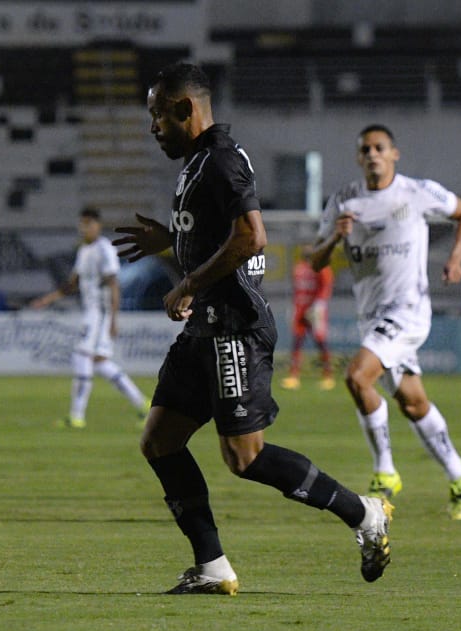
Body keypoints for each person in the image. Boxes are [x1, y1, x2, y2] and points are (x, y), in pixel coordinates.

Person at [113, 62, 392, 595]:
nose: (152, 127)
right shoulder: (198, 162)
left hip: (234, 329)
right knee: (160, 441)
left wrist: (188, 282)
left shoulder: (219, 160)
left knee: (245, 457)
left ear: (184, 109)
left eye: (157, 116)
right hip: (204, 330)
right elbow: (220, 236)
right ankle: (213, 567)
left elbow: (251, 237)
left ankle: (364, 513)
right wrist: (171, 242)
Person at [307, 124, 461, 520]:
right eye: (365, 149)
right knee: (413, 402)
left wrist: (455, 259)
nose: (372, 154)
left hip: (408, 311)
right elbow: (314, 262)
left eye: (379, 148)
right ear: (358, 157)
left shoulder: (416, 191)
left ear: (394, 154)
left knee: (356, 377)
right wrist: (335, 237)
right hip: (372, 316)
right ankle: (460, 472)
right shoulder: (344, 201)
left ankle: (385, 471)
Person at [30, 207, 149, 429]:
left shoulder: (104, 249)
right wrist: (48, 299)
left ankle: (77, 416)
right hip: (92, 312)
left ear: (97, 225)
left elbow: (114, 283)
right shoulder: (84, 250)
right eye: (82, 224)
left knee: (82, 356)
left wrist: (114, 318)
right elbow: (72, 284)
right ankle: (144, 405)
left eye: (88, 224)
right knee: (100, 362)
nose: (84, 228)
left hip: (101, 313)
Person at [281, 246, 335, 391]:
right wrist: (294, 306)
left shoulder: (322, 269)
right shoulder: (298, 268)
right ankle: (293, 375)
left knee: (321, 342)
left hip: (314, 309)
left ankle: (328, 375)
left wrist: (318, 306)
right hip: (300, 308)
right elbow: (296, 289)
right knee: (297, 341)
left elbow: (325, 289)